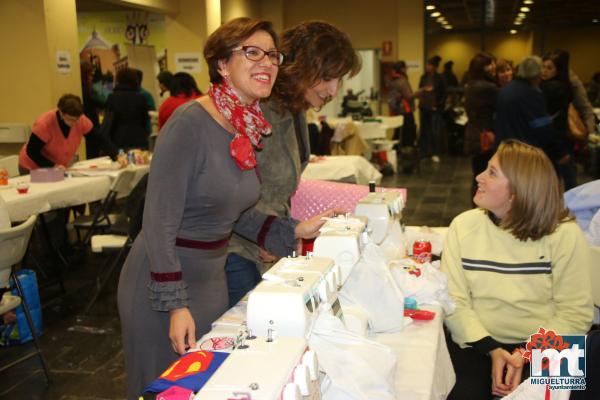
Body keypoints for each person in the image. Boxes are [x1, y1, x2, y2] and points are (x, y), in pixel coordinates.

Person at [117, 18, 329, 399]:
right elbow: (159, 222)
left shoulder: (244, 125)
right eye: (252, 53)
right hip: (163, 284)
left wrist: (292, 231)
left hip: (210, 280)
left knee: (207, 387)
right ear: (222, 64)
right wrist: (175, 305)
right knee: (165, 390)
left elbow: (235, 211)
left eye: (272, 55)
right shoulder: (190, 123)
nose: (266, 63)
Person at [442, 139, 593, 400]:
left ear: (517, 192)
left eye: (491, 172)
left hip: (552, 345)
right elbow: (453, 301)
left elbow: (576, 314)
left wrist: (526, 352)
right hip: (477, 343)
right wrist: (491, 349)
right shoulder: (463, 226)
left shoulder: (565, 234)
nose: (478, 177)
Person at [225, 20, 361, 307]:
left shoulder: (295, 110)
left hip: (264, 245)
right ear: (300, 67)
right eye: (327, 77)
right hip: (235, 251)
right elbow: (228, 195)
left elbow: (275, 189)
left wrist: (279, 234)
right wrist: (275, 233)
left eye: (339, 80)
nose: (333, 90)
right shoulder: (253, 110)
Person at [18, 94, 120, 174]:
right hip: (32, 166)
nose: (74, 123)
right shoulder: (44, 124)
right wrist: (53, 166)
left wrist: (117, 155)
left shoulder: (81, 120)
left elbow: (98, 139)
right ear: (61, 112)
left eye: (76, 119)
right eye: (70, 119)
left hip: (58, 167)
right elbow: (32, 151)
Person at [495, 56, 565, 168]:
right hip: (524, 152)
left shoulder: (505, 90)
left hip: (504, 149)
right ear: (538, 75)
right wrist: (558, 152)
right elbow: (542, 127)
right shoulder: (532, 94)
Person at [464, 52, 499, 197]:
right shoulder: (487, 87)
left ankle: (476, 206)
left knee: (477, 174)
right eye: (490, 64)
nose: (493, 67)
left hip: (474, 132)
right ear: (483, 68)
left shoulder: (470, 84)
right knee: (486, 175)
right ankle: (482, 207)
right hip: (486, 134)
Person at [541, 49, 576, 190]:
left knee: (559, 181)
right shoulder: (566, 85)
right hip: (560, 138)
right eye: (542, 66)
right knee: (567, 180)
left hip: (555, 140)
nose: (544, 71)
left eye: (549, 68)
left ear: (558, 70)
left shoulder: (551, 88)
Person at [103, 67, 150, 149]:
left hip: (118, 139)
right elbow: (145, 119)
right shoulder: (141, 97)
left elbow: (109, 120)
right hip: (139, 138)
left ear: (118, 80)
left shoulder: (112, 97)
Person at [418, 55, 446, 163]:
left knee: (435, 131)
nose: (427, 67)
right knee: (424, 130)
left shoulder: (440, 78)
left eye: (429, 65)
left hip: (435, 108)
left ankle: (435, 152)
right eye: (427, 64)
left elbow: (443, 93)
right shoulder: (423, 77)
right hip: (424, 107)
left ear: (434, 67)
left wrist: (438, 105)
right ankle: (424, 152)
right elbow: (420, 90)